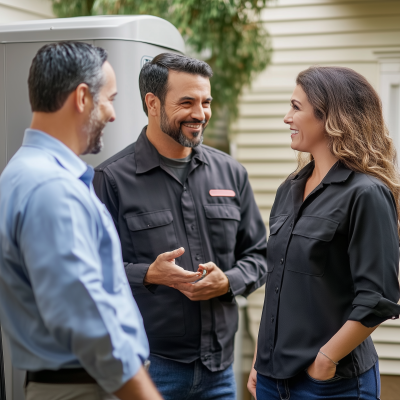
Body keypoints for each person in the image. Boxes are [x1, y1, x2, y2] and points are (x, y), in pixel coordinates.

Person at [93, 53, 268, 400]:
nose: (200, 114)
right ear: (153, 103)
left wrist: (228, 281)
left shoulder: (231, 173)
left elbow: (260, 255)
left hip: (220, 371)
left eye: (206, 102)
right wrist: (148, 274)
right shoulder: (111, 179)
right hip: (148, 369)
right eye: (187, 102)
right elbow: (92, 272)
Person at [0, 42, 163, 400]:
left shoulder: (26, 173)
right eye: (110, 99)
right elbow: (87, 318)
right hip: (84, 387)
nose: (113, 114)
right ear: (82, 97)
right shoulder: (51, 188)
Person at [247, 66, 400, 400]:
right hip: (273, 378)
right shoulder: (289, 188)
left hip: (330, 384)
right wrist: (261, 358)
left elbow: (378, 299)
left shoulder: (367, 193)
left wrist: (325, 361)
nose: (287, 118)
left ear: (331, 117)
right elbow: (277, 283)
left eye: (296, 107)